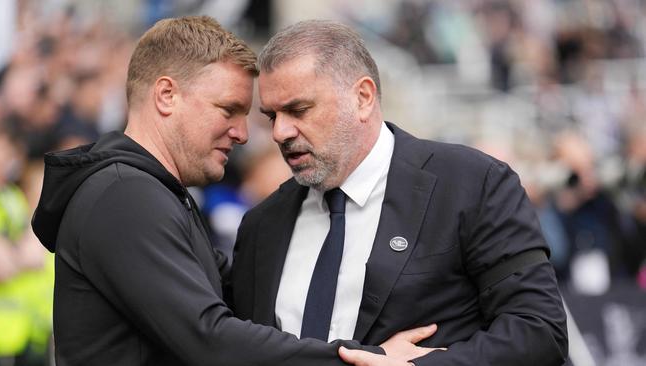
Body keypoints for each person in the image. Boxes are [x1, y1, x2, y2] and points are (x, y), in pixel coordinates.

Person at [31, 16, 431, 366]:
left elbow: (247, 293)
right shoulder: (125, 196)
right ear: (166, 95)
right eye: (228, 110)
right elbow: (211, 339)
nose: (243, 134)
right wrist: (361, 357)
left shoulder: (153, 193)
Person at [231, 20, 568, 366]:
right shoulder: (262, 224)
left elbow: (540, 331)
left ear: (362, 97)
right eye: (271, 116)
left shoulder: (472, 185)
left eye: (298, 110)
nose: (280, 132)